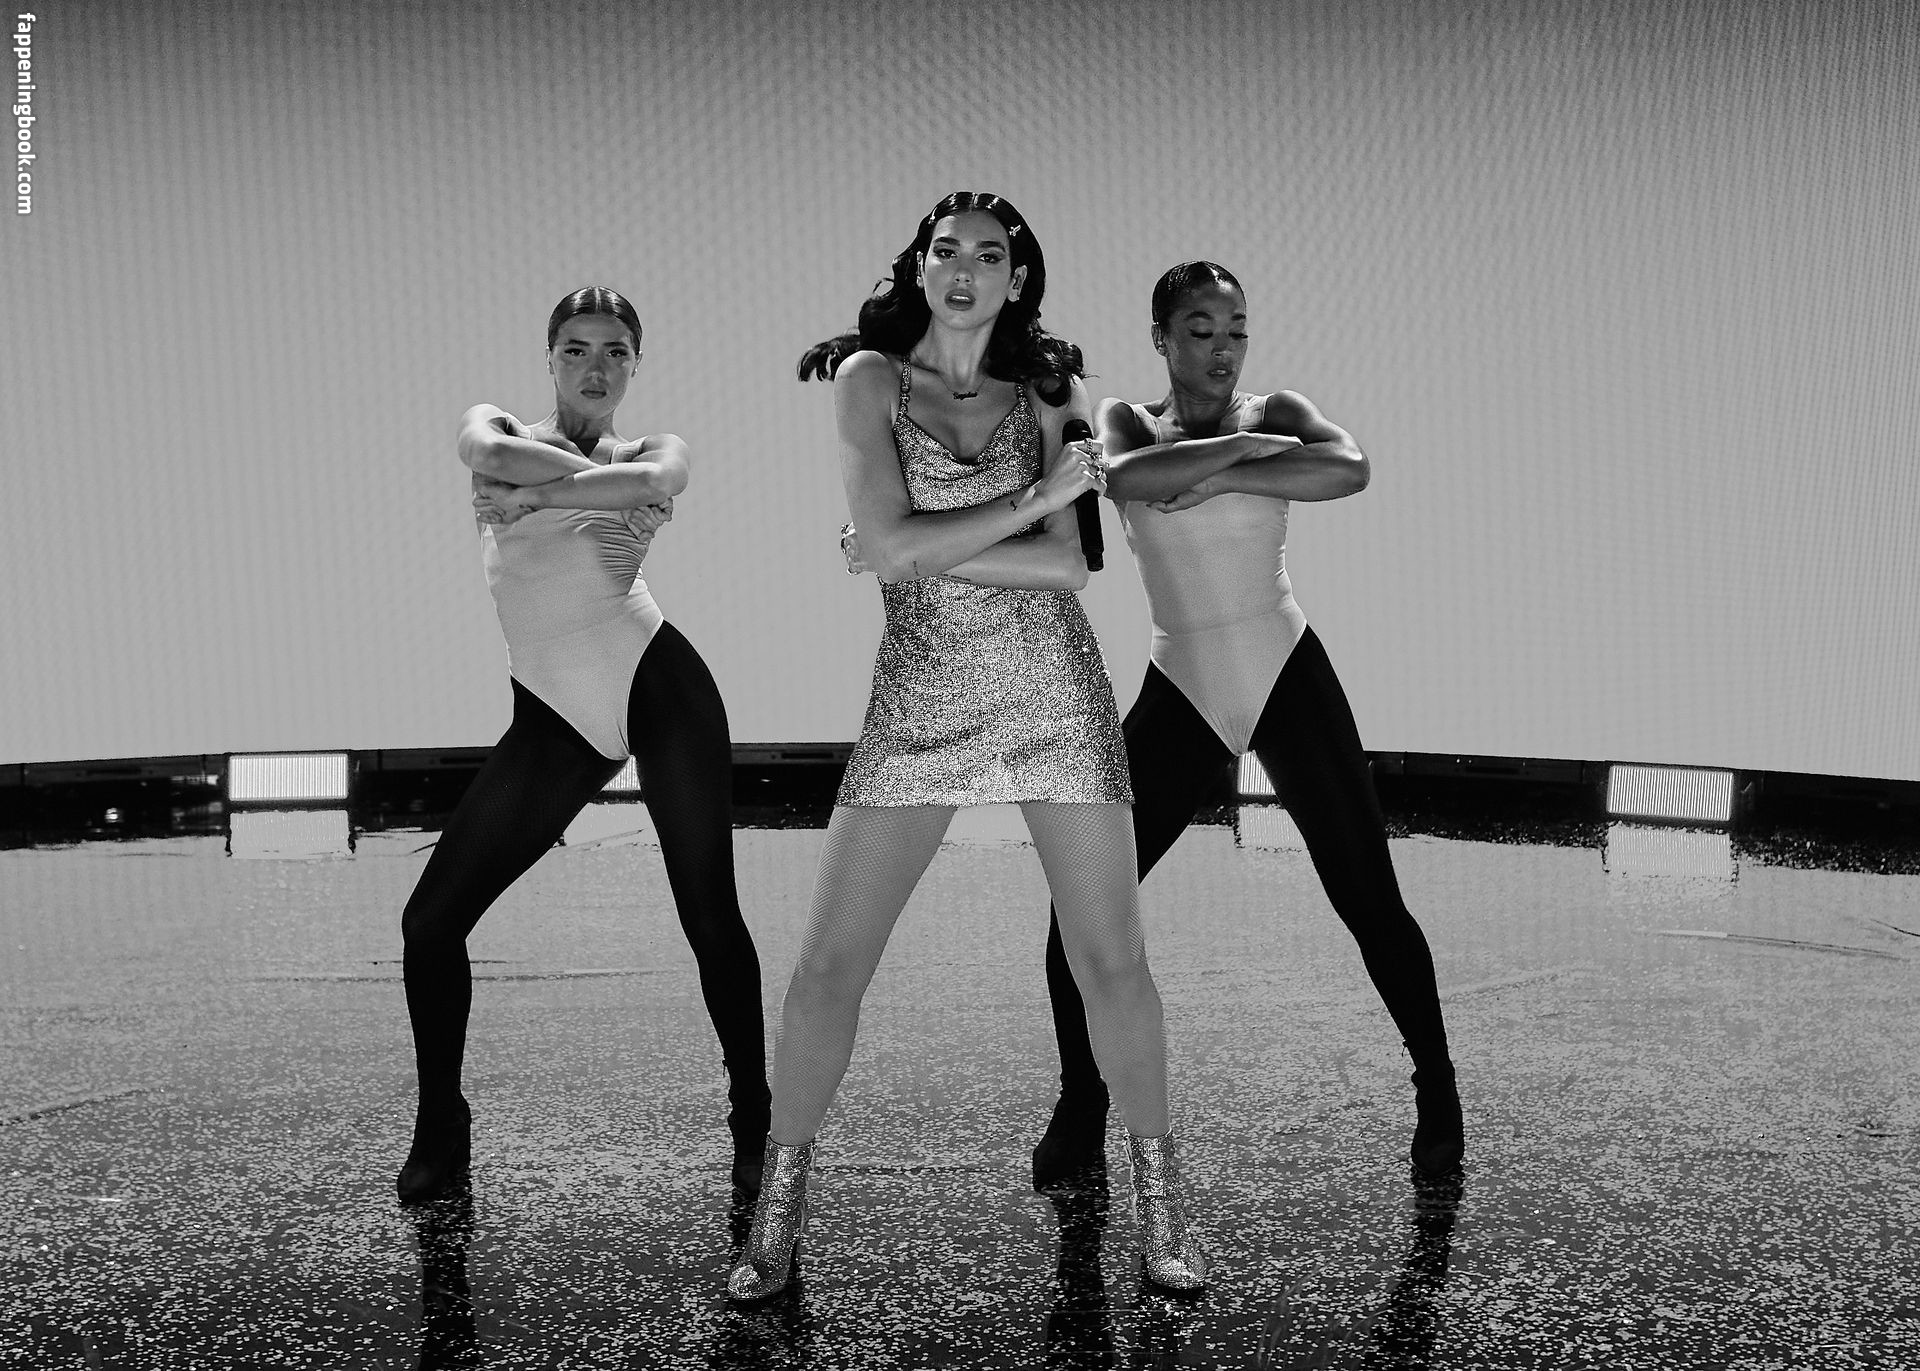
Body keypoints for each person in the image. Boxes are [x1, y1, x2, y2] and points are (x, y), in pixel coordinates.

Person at [725, 193, 1207, 1302]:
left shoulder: (1050, 386)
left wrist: (905, 548)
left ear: (1017, 279)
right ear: (919, 265)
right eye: (946, 251)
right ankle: (774, 1222)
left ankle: (1164, 1215)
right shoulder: (868, 381)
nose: (964, 270)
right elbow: (902, 541)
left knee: (1113, 965)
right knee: (826, 970)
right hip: (919, 698)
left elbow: (1065, 568)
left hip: (1053, 695)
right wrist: (1024, 501)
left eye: (989, 256)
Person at [1027, 261, 1464, 1190]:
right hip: (1183, 678)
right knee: (1081, 908)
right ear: (1161, 338)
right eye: (1200, 331)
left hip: (1284, 667)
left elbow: (1350, 467)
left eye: (1235, 332)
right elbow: (1128, 479)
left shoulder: (1281, 408)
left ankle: (1438, 1088)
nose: (1222, 350)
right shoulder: (1127, 422)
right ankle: (1081, 1101)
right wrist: (1251, 456)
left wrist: (1224, 463)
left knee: (1370, 900)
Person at [395, 287, 771, 1205]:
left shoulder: (650, 449)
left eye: (614, 351)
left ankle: (755, 1120)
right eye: (575, 349)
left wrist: (535, 495)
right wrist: (568, 484)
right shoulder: (498, 427)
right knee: (429, 923)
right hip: (552, 709)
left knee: (709, 915)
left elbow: (656, 480)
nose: (595, 367)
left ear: (636, 362)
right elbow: (486, 454)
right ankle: (441, 1121)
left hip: (657, 682)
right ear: (550, 357)